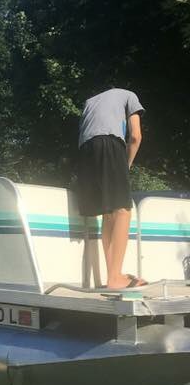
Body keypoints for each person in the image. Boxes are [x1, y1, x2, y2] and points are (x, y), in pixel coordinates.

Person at [77, 88, 146, 289]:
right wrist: (126, 165)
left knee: (108, 213)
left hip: (85, 150)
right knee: (123, 210)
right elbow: (135, 136)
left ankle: (113, 275)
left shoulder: (90, 100)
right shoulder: (130, 95)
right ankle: (115, 278)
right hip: (108, 143)